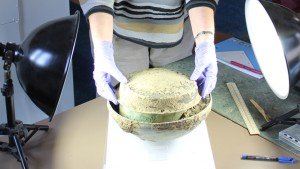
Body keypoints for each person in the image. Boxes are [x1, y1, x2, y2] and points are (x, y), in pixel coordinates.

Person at [79, 0, 219, 105]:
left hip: (180, 23)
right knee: (120, 101)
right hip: (114, 24)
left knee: (177, 100)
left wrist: (204, 42)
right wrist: (103, 48)